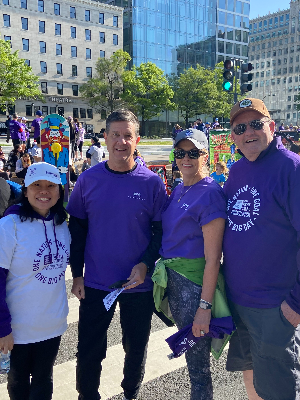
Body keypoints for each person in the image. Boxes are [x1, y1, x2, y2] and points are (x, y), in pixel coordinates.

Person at [66, 109, 167, 400]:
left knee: (135, 346)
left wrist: (146, 264)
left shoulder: (151, 183)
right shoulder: (88, 180)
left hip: (138, 284)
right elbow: (78, 232)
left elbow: (160, 232)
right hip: (97, 282)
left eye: (127, 135)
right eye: (115, 135)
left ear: (137, 140)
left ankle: (130, 394)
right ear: (105, 138)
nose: (121, 141)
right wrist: (77, 275)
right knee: (89, 347)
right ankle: (88, 395)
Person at [223, 98, 300, 400]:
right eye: (240, 127)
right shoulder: (237, 170)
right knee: (251, 378)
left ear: (271, 126)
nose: (248, 132)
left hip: (274, 306)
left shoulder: (291, 169)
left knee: (278, 390)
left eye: (256, 124)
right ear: (233, 136)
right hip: (239, 301)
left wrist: (295, 303)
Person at [158, 128, 227, 399]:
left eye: (193, 153)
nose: (186, 158)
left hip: (193, 287)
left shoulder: (210, 193)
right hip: (175, 283)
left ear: (205, 155)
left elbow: (213, 259)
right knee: (192, 363)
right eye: (180, 152)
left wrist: (204, 308)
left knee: (198, 369)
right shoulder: (180, 188)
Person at [0, 162, 69, 400]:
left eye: (50, 185)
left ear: (59, 190)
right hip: (18, 329)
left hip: (52, 323)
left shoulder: (62, 223)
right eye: (36, 185)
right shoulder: (10, 225)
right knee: (18, 383)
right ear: (25, 189)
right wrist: (2, 326)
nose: (44, 191)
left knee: (43, 381)